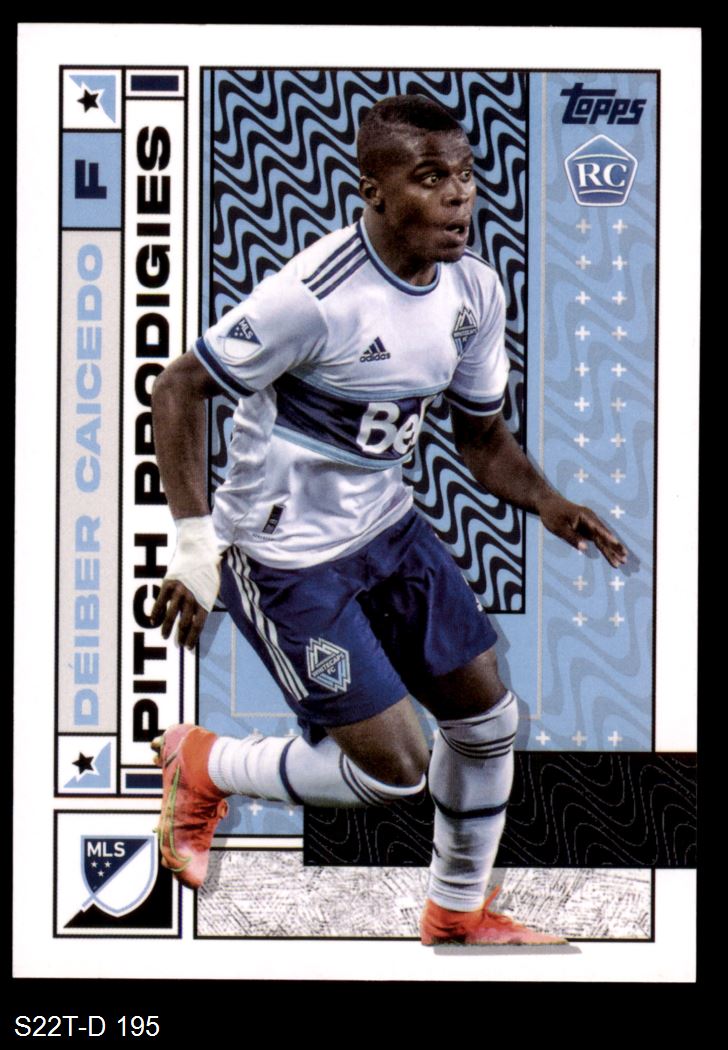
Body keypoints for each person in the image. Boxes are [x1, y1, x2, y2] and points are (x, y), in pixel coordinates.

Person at [150, 94, 627, 946]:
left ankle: (456, 913)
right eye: (430, 177)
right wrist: (194, 544)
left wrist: (550, 502)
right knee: (396, 771)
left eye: (466, 175)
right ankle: (203, 763)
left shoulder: (474, 290)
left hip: (388, 529)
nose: (459, 195)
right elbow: (179, 387)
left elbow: (482, 439)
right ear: (371, 189)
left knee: (489, 724)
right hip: (285, 557)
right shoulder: (316, 295)